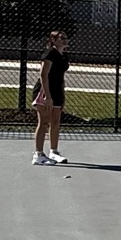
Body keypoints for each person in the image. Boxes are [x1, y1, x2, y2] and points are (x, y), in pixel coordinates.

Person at [32, 30, 70, 165]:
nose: (65, 40)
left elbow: (61, 76)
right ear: (53, 40)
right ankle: (38, 155)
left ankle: (53, 152)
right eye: (61, 38)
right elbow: (43, 75)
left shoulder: (64, 55)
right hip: (44, 91)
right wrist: (47, 97)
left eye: (66, 37)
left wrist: (62, 93)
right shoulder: (49, 54)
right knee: (43, 122)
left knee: (55, 122)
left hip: (57, 91)